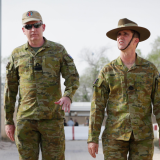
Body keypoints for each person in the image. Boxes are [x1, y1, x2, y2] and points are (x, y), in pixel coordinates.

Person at [4, 10, 79, 160]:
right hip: (26, 120)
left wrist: (68, 95)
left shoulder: (57, 50)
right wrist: (8, 121)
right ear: (23, 30)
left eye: (36, 25)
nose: (33, 29)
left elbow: (72, 76)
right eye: (28, 26)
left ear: (43, 27)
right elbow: (10, 90)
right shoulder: (16, 54)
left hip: (52, 118)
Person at [87, 18, 160, 160]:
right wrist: (92, 138)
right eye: (118, 34)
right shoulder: (107, 70)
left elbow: (158, 103)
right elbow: (97, 106)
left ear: (135, 40)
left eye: (125, 34)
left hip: (142, 137)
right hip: (114, 136)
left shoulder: (150, 70)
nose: (120, 37)